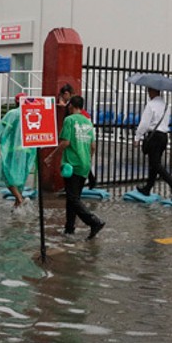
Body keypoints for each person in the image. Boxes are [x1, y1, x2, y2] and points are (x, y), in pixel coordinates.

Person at [58, 95, 105, 239]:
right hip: (84, 165)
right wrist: (87, 158)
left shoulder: (69, 120)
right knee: (73, 197)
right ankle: (69, 228)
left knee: (72, 198)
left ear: (71, 105)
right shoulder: (88, 122)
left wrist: (50, 155)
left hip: (72, 164)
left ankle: (93, 221)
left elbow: (65, 142)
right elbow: (93, 146)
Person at [0, 92, 36, 207]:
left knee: (6, 175)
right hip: (28, 151)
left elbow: (4, 133)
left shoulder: (12, 113)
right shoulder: (31, 113)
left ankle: (19, 198)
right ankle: (17, 207)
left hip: (13, 150)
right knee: (21, 175)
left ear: (16, 101)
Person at [134, 87, 172, 200]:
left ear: (154, 91)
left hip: (154, 136)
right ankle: (148, 188)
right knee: (154, 163)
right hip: (164, 136)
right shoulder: (165, 105)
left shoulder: (151, 105)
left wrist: (137, 137)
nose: (148, 93)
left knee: (155, 164)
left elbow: (144, 123)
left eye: (149, 91)